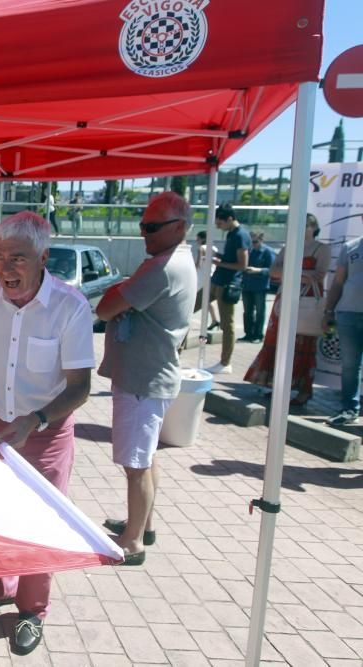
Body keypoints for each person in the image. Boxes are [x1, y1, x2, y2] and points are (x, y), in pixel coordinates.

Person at [0, 210, 94, 656]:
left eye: (17, 258)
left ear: (43, 258)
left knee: (42, 522)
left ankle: (32, 609)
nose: (5, 268)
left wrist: (35, 422)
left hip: (44, 433)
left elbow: (81, 387)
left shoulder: (70, 307)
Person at [96, 192, 198, 565]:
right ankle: (143, 525)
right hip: (151, 375)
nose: (145, 233)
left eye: (153, 227)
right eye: (143, 225)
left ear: (180, 227)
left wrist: (118, 289)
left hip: (143, 379)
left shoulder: (161, 268)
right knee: (146, 458)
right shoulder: (177, 260)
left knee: (136, 463)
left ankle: (133, 541)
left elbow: (106, 308)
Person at [246, 214, 330, 406]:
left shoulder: (322, 248)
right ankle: (279, 387)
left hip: (306, 301)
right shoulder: (288, 247)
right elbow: (274, 271)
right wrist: (300, 274)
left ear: (314, 228)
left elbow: (318, 275)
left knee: (303, 344)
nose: (303, 229)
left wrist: (290, 272)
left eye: (307, 225)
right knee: (279, 342)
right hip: (284, 299)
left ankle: (304, 390)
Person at [203, 204, 251, 374]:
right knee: (192, 304)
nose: (218, 227)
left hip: (227, 284)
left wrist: (218, 262)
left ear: (229, 219)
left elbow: (242, 265)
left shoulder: (240, 235)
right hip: (218, 281)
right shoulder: (233, 234)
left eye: (219, 224)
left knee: (227, 324)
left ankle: (225, 362)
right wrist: (218, 257)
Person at [325, 233, 363, 425]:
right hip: (348, 313)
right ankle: (349, 408)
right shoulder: (351, 247)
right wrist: (328, 310)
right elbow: (338, 281)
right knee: (350, 365)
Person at [240, 233, 276, 343]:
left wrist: (258, 270)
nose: (253, 245)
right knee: (247, 311)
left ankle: (258, 335)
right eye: (251, 242)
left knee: (260, 311)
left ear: (261, 240)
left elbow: (273, 269)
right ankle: (248, 333)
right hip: (247, 284)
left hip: (260, 286)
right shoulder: (249, 251)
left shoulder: (267, 252)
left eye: (255, 242)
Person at [192, 230, 221, 331]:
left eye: (198, 238)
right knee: (207, 299)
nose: (197, 240)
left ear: (203, 239)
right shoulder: (214, 248)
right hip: (211, 274)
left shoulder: (201, 248)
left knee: (201, 298)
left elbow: (198, 264)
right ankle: (215, 320)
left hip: (202, 275)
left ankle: (214, 320)